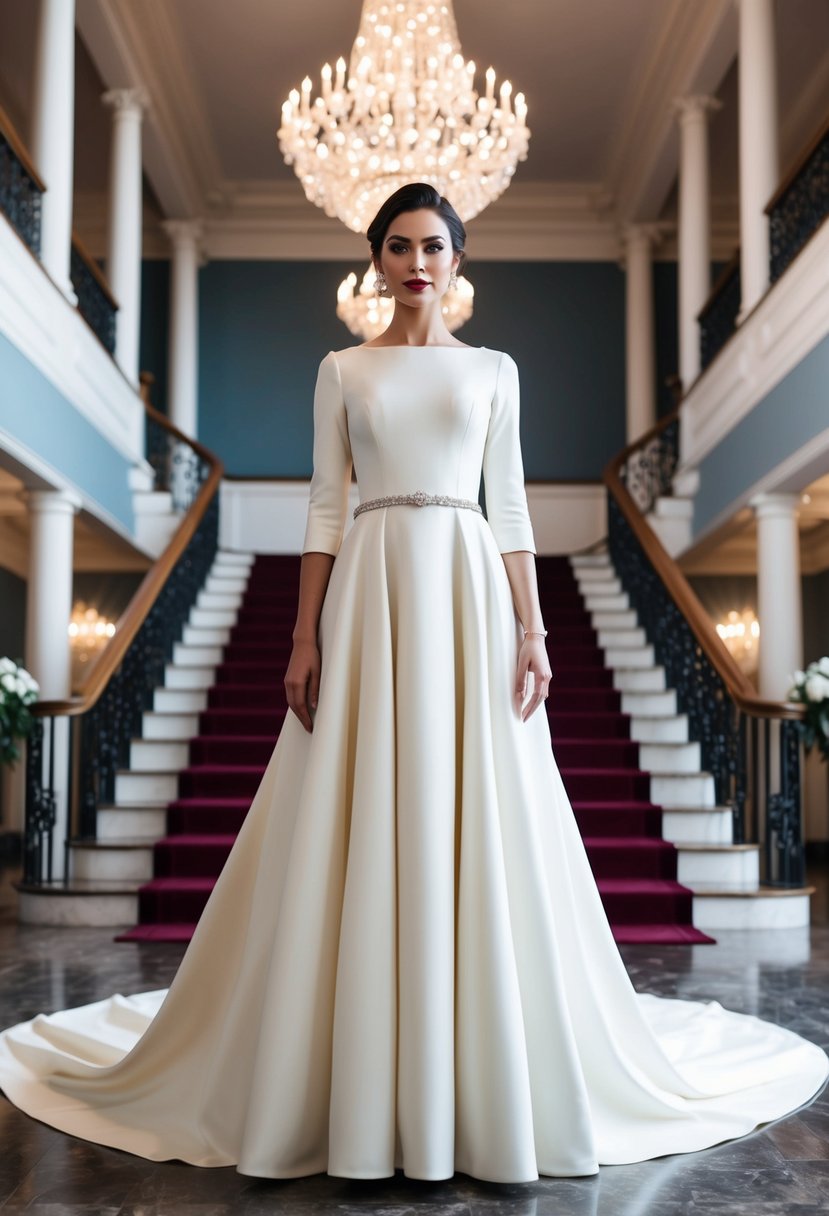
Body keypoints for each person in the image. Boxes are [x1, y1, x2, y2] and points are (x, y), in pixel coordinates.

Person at [0, 182, 826, 1184]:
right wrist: (302, 636)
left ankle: (477, 1066)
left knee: (474, 802)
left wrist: (533, 628)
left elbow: (511, 507)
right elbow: (322, 513)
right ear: (378, 259)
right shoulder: (341, 368)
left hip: (469, 585)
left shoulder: (493, 370)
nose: (416, 260)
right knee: (362, 799)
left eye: (433, 244)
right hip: (374, 584)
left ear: (458, 259)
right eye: (398, 245)